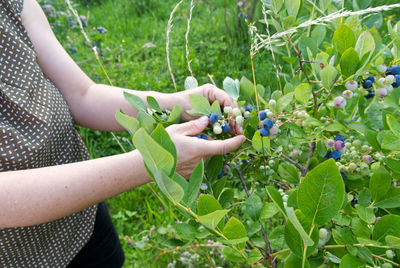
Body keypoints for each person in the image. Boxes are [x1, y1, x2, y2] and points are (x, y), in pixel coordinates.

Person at [0, 0, 246, 267]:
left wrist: (176, 104)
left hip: (84, 214)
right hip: (19, 255)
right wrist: (152, 162)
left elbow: (81, 94)